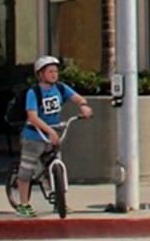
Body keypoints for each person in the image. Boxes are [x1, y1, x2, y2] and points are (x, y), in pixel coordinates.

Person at [14, 55, 93, 218]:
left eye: (55, 71)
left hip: (53, 134)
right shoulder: (33, 92)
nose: (54, 74)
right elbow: (33, 117)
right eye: (50, 71)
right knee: (26, 171)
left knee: (54, 167)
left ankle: (59, 201)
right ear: (41, 74)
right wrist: (49, 132)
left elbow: (78, 98)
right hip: (34, 136)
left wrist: (84, 106)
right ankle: (23, 204)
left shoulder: (61, 88)